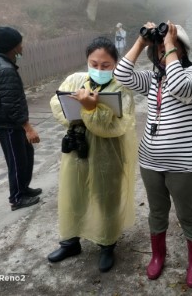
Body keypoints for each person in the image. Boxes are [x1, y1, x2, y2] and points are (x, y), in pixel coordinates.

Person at [114, 21, 192, 288]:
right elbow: (121, 76)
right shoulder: (154, 78)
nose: (161, 53)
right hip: (150, 162)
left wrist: (168, 43)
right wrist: (142, 42)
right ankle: (158, 255)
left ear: (182, 48)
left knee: (187, 215)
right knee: (157, 211)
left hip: (183, 165)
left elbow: (179, 87)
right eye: (157, 49)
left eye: (166, 47)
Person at [48, 37, 137, 273]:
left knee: (106, 198)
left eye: (105, 65)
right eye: (94, 63)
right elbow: (57, 105)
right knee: (73, 194)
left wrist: (89, 109)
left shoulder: (121, 89)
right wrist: (77, 112)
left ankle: (107, 245)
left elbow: (114, 127)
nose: (99, 69)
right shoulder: (76, 80)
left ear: (115, 64)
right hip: (78, 149)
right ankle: (70, 241)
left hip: (109, 153)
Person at [0, 26, 42, 211]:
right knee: (16, 160)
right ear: (13, 47)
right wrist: (28, 127)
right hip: (8, 124)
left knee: (26, 155)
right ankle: (17, 198)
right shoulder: (5, 69)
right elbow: (11, 105)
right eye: (19, 44)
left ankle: (23, 189)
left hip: (8, 121)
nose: (22, 47)